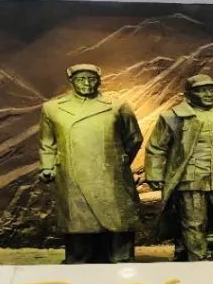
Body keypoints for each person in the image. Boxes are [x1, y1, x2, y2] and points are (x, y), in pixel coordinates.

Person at [145, 74, 213, 261]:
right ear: (189, 94)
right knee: (193, 221)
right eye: (202, 90)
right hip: (190, 178)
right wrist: (155, 174)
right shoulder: (172, 117)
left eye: (211, 90)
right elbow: (157, 147)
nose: (209, 94)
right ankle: (197, 258)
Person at [39, 64, 143, 263]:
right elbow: (47, 141)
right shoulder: (52, 108)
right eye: (80, 79)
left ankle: (121, 260)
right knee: (79, 220)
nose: (86, 83)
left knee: (117, 218)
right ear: (71, 82)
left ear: (99, 81)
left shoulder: (117, 106)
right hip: (72, 172)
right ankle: (79, 260)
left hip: (110, 174)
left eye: (91, 79)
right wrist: (47, 166)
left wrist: (117, 161)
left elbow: (133, 138)